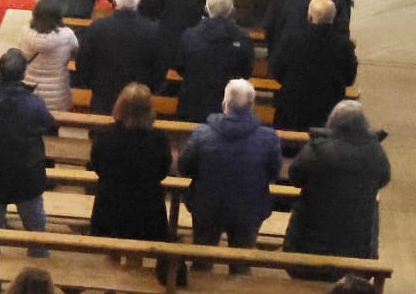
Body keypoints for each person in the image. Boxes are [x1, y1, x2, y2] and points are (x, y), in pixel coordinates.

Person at [179, 79, 283, 252]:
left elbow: (184, 167)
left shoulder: (202, 134)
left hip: (207, 206)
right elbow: (274, 173)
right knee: (242, 261)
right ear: (252, 105)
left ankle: (201, 271)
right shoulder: (269, 138)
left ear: (224, 104)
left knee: (202, 257)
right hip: (249, 207)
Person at [286, 102, 392, 260]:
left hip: (304, 249)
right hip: (357, 254)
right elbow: (383, 179)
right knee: (373, 205)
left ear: (332, 122)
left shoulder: (316, 149)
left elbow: (295, 177)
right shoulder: (374, 151)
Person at [0, 48, 54, 239]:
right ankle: (38, 257)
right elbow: (48, 125)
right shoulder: (34, 104)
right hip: (27, 175)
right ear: (24, 74)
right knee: (36, 228)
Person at [89, 82, 173, 242]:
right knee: (139, 248)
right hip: (147, 202)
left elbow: (96, 164)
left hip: (111, 200)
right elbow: (164, 169)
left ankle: (112, 262)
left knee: (110, 244)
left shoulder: (104, 135)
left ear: (119, 105)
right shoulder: (158, 138)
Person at [75, 0, 171, 107]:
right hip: (138, 101)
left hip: (104, 97)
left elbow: (82, 64)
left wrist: (96, 85)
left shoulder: (97, 28)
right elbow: (160, 68)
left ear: (114, 1)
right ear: (139, 0)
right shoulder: (153, 31)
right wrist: (148, 89)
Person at [271, 0, 358, 131]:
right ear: (333, 18)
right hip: (328, 113)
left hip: (292, 112)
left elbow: (276, 71)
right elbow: (349, 79)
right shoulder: (344, 46)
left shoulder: (291, 40)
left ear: (309, 16)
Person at [178, 0, 255, 125]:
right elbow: (246, 71)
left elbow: (180, 66)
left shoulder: (190, 36)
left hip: (193, 106)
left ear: (206, 8)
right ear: (231, 10)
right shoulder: (243, 38)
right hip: (227, 108)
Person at [19, 0, 78, 113]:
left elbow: (22, 54)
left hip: (29, 90)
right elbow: (75, 51)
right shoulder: (67, 35)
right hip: (57, 94)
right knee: (54, 126)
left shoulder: (25, 32)